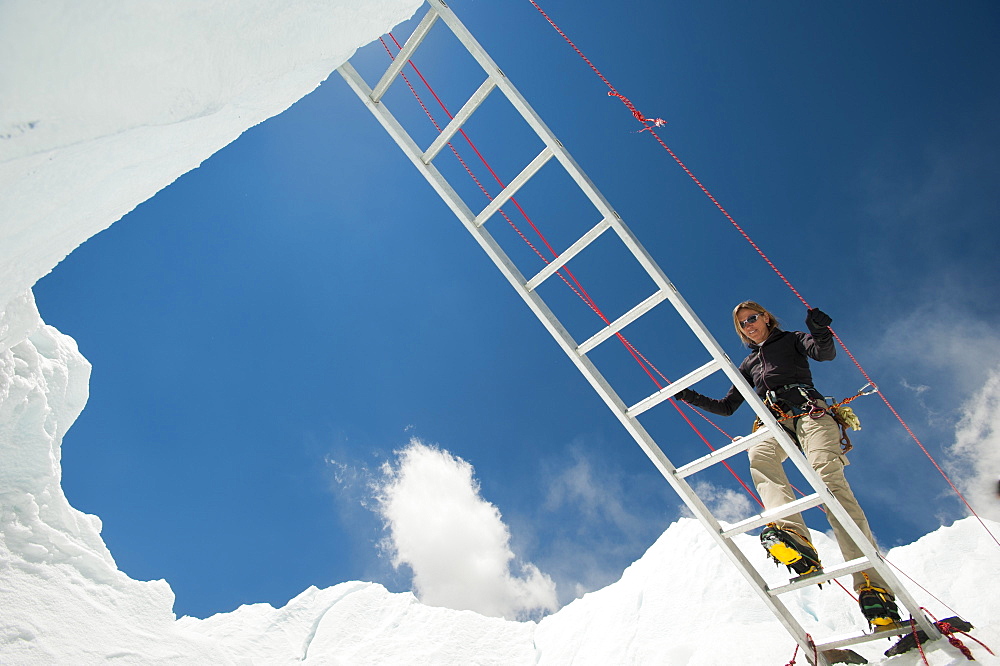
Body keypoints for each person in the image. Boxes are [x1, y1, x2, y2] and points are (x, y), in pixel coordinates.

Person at [675, 301, 900, 627]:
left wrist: (819, 330)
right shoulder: (749, 363)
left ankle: (871, 584)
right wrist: (690, 396)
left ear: (766, 317)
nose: (749, 325)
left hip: (810, 412)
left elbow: (824, 353)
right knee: (759, 454)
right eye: (743, 324)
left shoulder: (792, 339)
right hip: (774, 422)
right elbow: (727, 406)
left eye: (752, 318)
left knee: (829, 479)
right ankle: (795, 538)